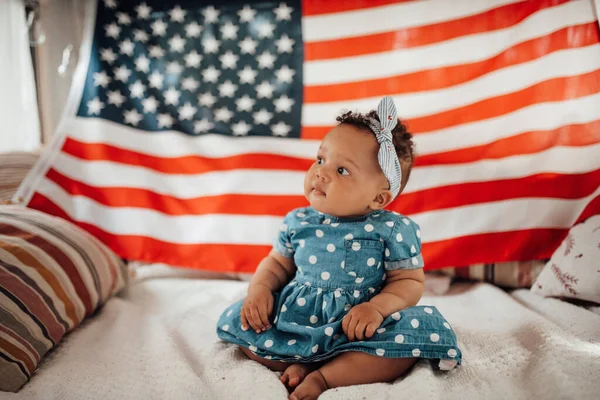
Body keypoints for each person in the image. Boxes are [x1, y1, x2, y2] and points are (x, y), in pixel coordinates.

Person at [217, 96, 462, 400]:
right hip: (300, 319)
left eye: (342, 170)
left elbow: (408, 282)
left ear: (379, 199)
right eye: (321, 159)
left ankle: (323, 376)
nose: (321, 172)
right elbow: (277, 265)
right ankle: (299, 360)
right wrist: (260, 290)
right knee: (245, 325)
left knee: (407, 343)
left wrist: (375, 308)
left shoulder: (392, 229)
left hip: (358, 328)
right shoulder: (299, 221)